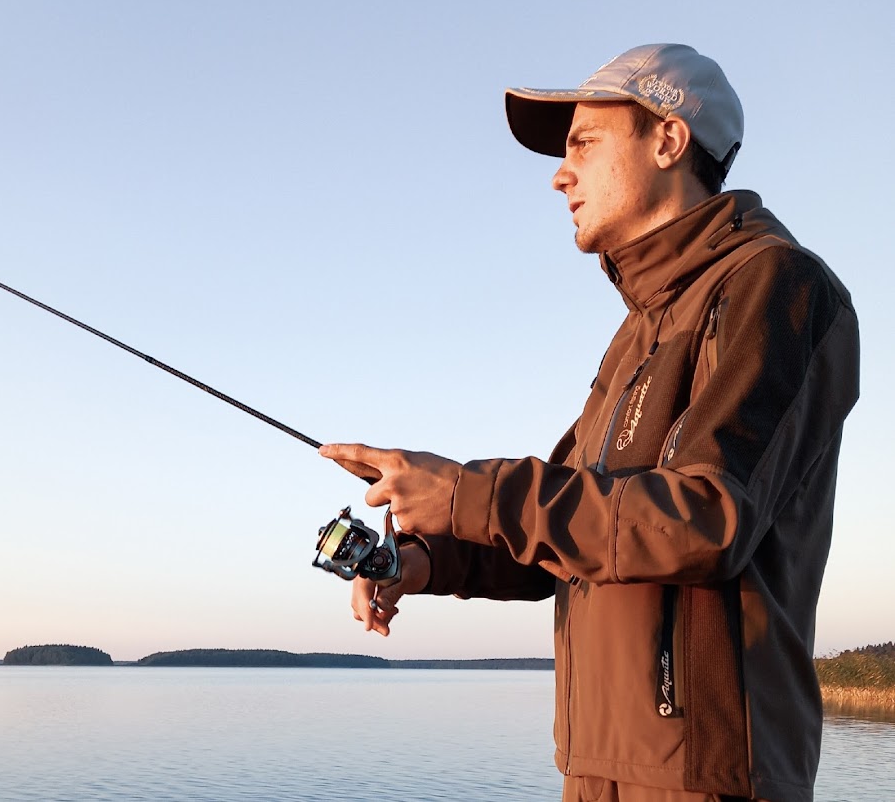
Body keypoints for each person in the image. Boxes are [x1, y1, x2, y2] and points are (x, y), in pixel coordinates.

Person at [320, 43, 860, 802]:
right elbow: (566, 539)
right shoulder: (638, 334)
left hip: (706, 779)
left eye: (583, 143)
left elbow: (706, 520)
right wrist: (424, 561)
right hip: (594, 772)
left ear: (668, 141)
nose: (559, 173)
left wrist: (470, 494)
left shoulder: (776, 284)